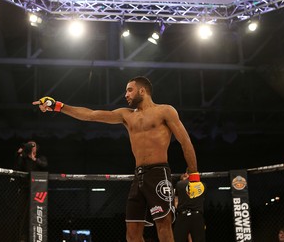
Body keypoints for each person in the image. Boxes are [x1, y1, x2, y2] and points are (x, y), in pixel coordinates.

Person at [32, 76, 202, 242]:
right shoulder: (126, 115)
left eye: (129, 90)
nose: (126, 94)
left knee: (163, 229)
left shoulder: (165, 111)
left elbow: (185, 141)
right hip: (139, 176)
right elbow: (90, 115)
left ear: (142, 91)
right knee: (132, 233)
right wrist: (58, 106)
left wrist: (194, 176)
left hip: (159, 173)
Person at [14, 140, 48, 242]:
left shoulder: (40, 158)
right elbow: (17, 166)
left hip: (38, 189)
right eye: (29, 145)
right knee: (23, 214)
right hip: (25, 189)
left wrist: (34, 159)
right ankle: (23, 237)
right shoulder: (23, 159)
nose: (31, 146)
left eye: (32, 145)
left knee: (37, 214)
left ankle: (37, 238)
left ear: (36, 148)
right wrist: (19, 154)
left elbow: (44, 165)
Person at [173, 172, 206, 242]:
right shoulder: (203, 185)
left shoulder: (180, 184)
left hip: (183, 215)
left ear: (187, 173)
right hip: (197, 216)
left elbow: (176, 201)